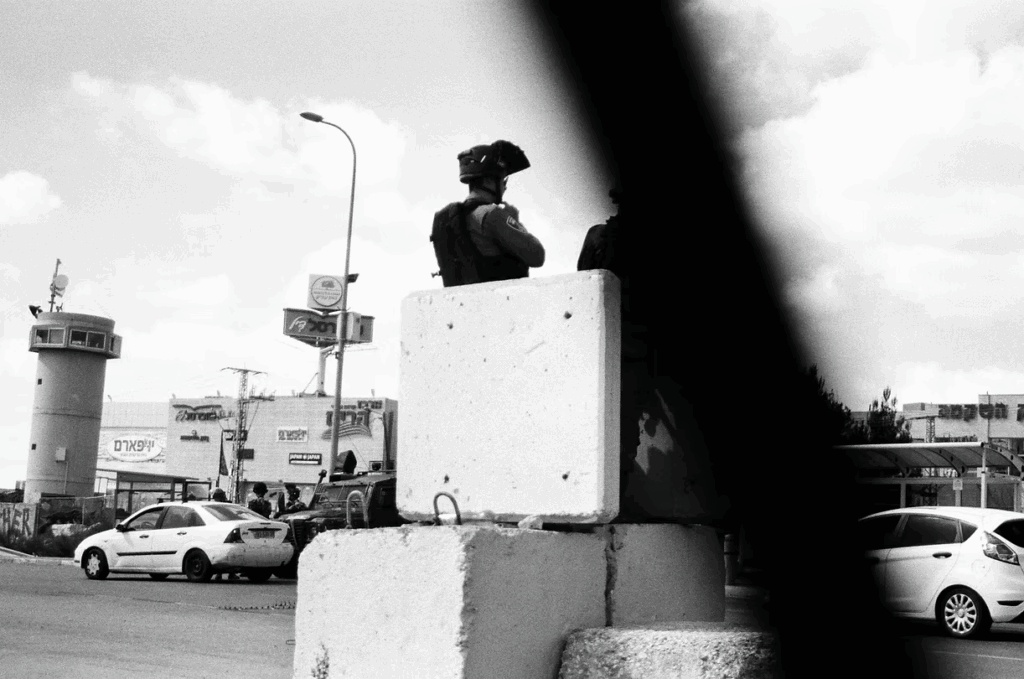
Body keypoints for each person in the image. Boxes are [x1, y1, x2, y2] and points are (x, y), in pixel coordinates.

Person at [577, 187, 654, 519]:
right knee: (623, 432)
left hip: (600, 346)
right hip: (636, 351)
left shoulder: (597, 236)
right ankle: (615, 506)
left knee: (595, 427)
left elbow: (583, 284)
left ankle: (591, 502)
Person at [431, 139, 545, 287]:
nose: (505, 187)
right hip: (503, 298)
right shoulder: (492, 214)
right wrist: (516, 222)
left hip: (468, 299)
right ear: (489, 181)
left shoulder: (452, 219)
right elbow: (537, 256)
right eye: (503, 180)